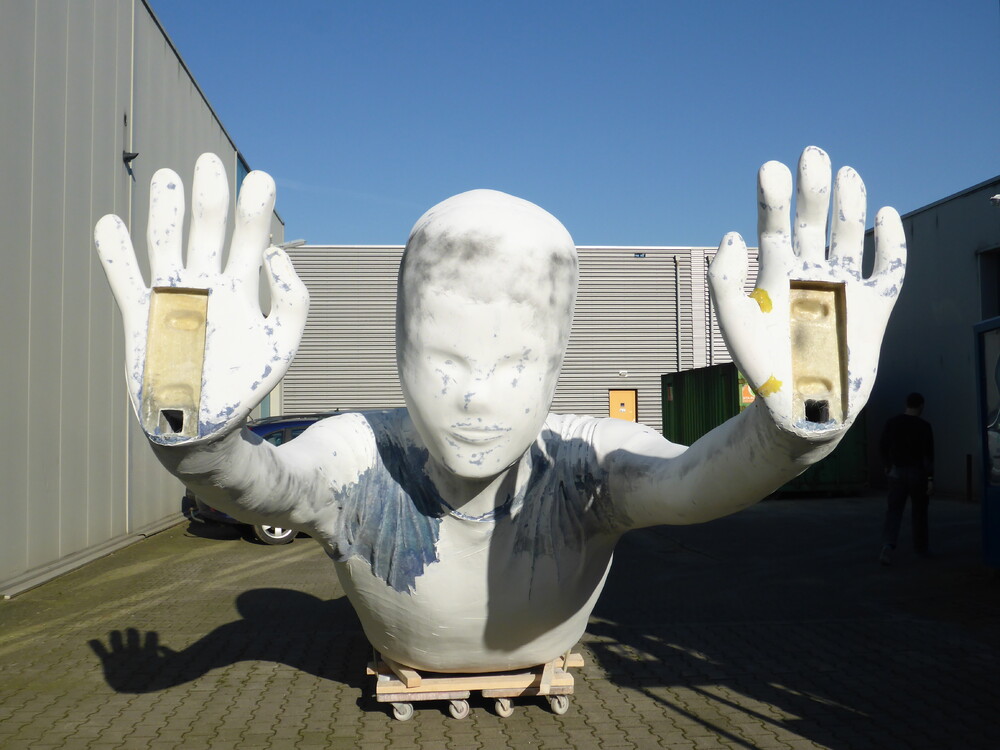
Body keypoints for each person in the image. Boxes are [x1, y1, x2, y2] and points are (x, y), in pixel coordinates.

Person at [94, 147, 906, 674]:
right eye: (444, 360)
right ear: (400, 350)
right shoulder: (360, 456)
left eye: (518, 364)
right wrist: (189, 424)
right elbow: (259, 484)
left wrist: (798, 423)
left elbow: (693, 480)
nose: (479, 397)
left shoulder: (583, 464)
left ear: (559, 363)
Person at [879, 393, 934, 564]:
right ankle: (921, 549)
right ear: (921, 406)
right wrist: (931, 478)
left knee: (894, 511)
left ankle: (888, 546)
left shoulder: (893, 423)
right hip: (918, 473)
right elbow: (929, 454)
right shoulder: (924, 426)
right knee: (919, 511)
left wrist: (888, 465)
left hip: (897, 472)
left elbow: (883, 445)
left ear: (907, 404)